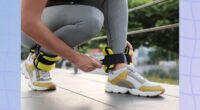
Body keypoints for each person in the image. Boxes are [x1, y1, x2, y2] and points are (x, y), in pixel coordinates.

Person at [21, 0, 164, 96]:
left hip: (63, 15)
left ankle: (119, 71)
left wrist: (117, 38)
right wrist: (74, 57)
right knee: (91, 19)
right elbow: (27, 21)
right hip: (29, 25)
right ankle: (37, 63)